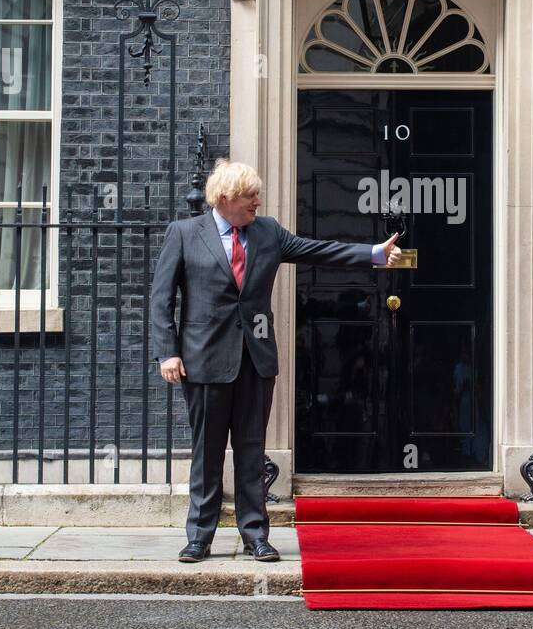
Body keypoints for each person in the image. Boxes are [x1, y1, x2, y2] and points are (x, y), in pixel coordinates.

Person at [149, 159, 401, 563]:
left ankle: (255, 535)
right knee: (207, 452)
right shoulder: (184, 234)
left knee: (252, 450)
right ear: (226, 198)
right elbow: (161, 300)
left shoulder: (267, 233)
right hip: (203, 361)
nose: (257, 202)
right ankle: (199, 536)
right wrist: (169, 351)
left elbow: (316, 250)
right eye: (250, 196)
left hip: (255, 360)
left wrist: (371, 253)